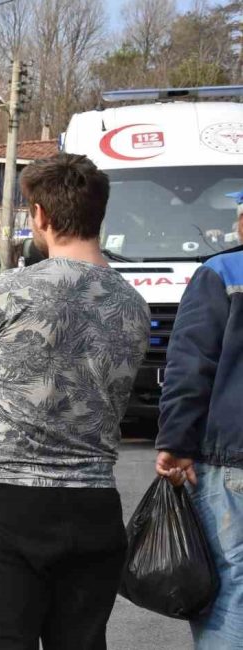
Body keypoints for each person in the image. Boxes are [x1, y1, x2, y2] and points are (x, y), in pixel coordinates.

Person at [0, 153, 149, 649]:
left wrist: (7, 389)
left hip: (7, 501)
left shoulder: (11, 289)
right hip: (96, 504)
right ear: (100, 214)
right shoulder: (133, 304)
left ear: (40, 216)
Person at [154, 195, 243, 648]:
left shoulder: (222, 273)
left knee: (232, 589)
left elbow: (191, 366)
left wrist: (176, 442)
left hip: (233, 459)